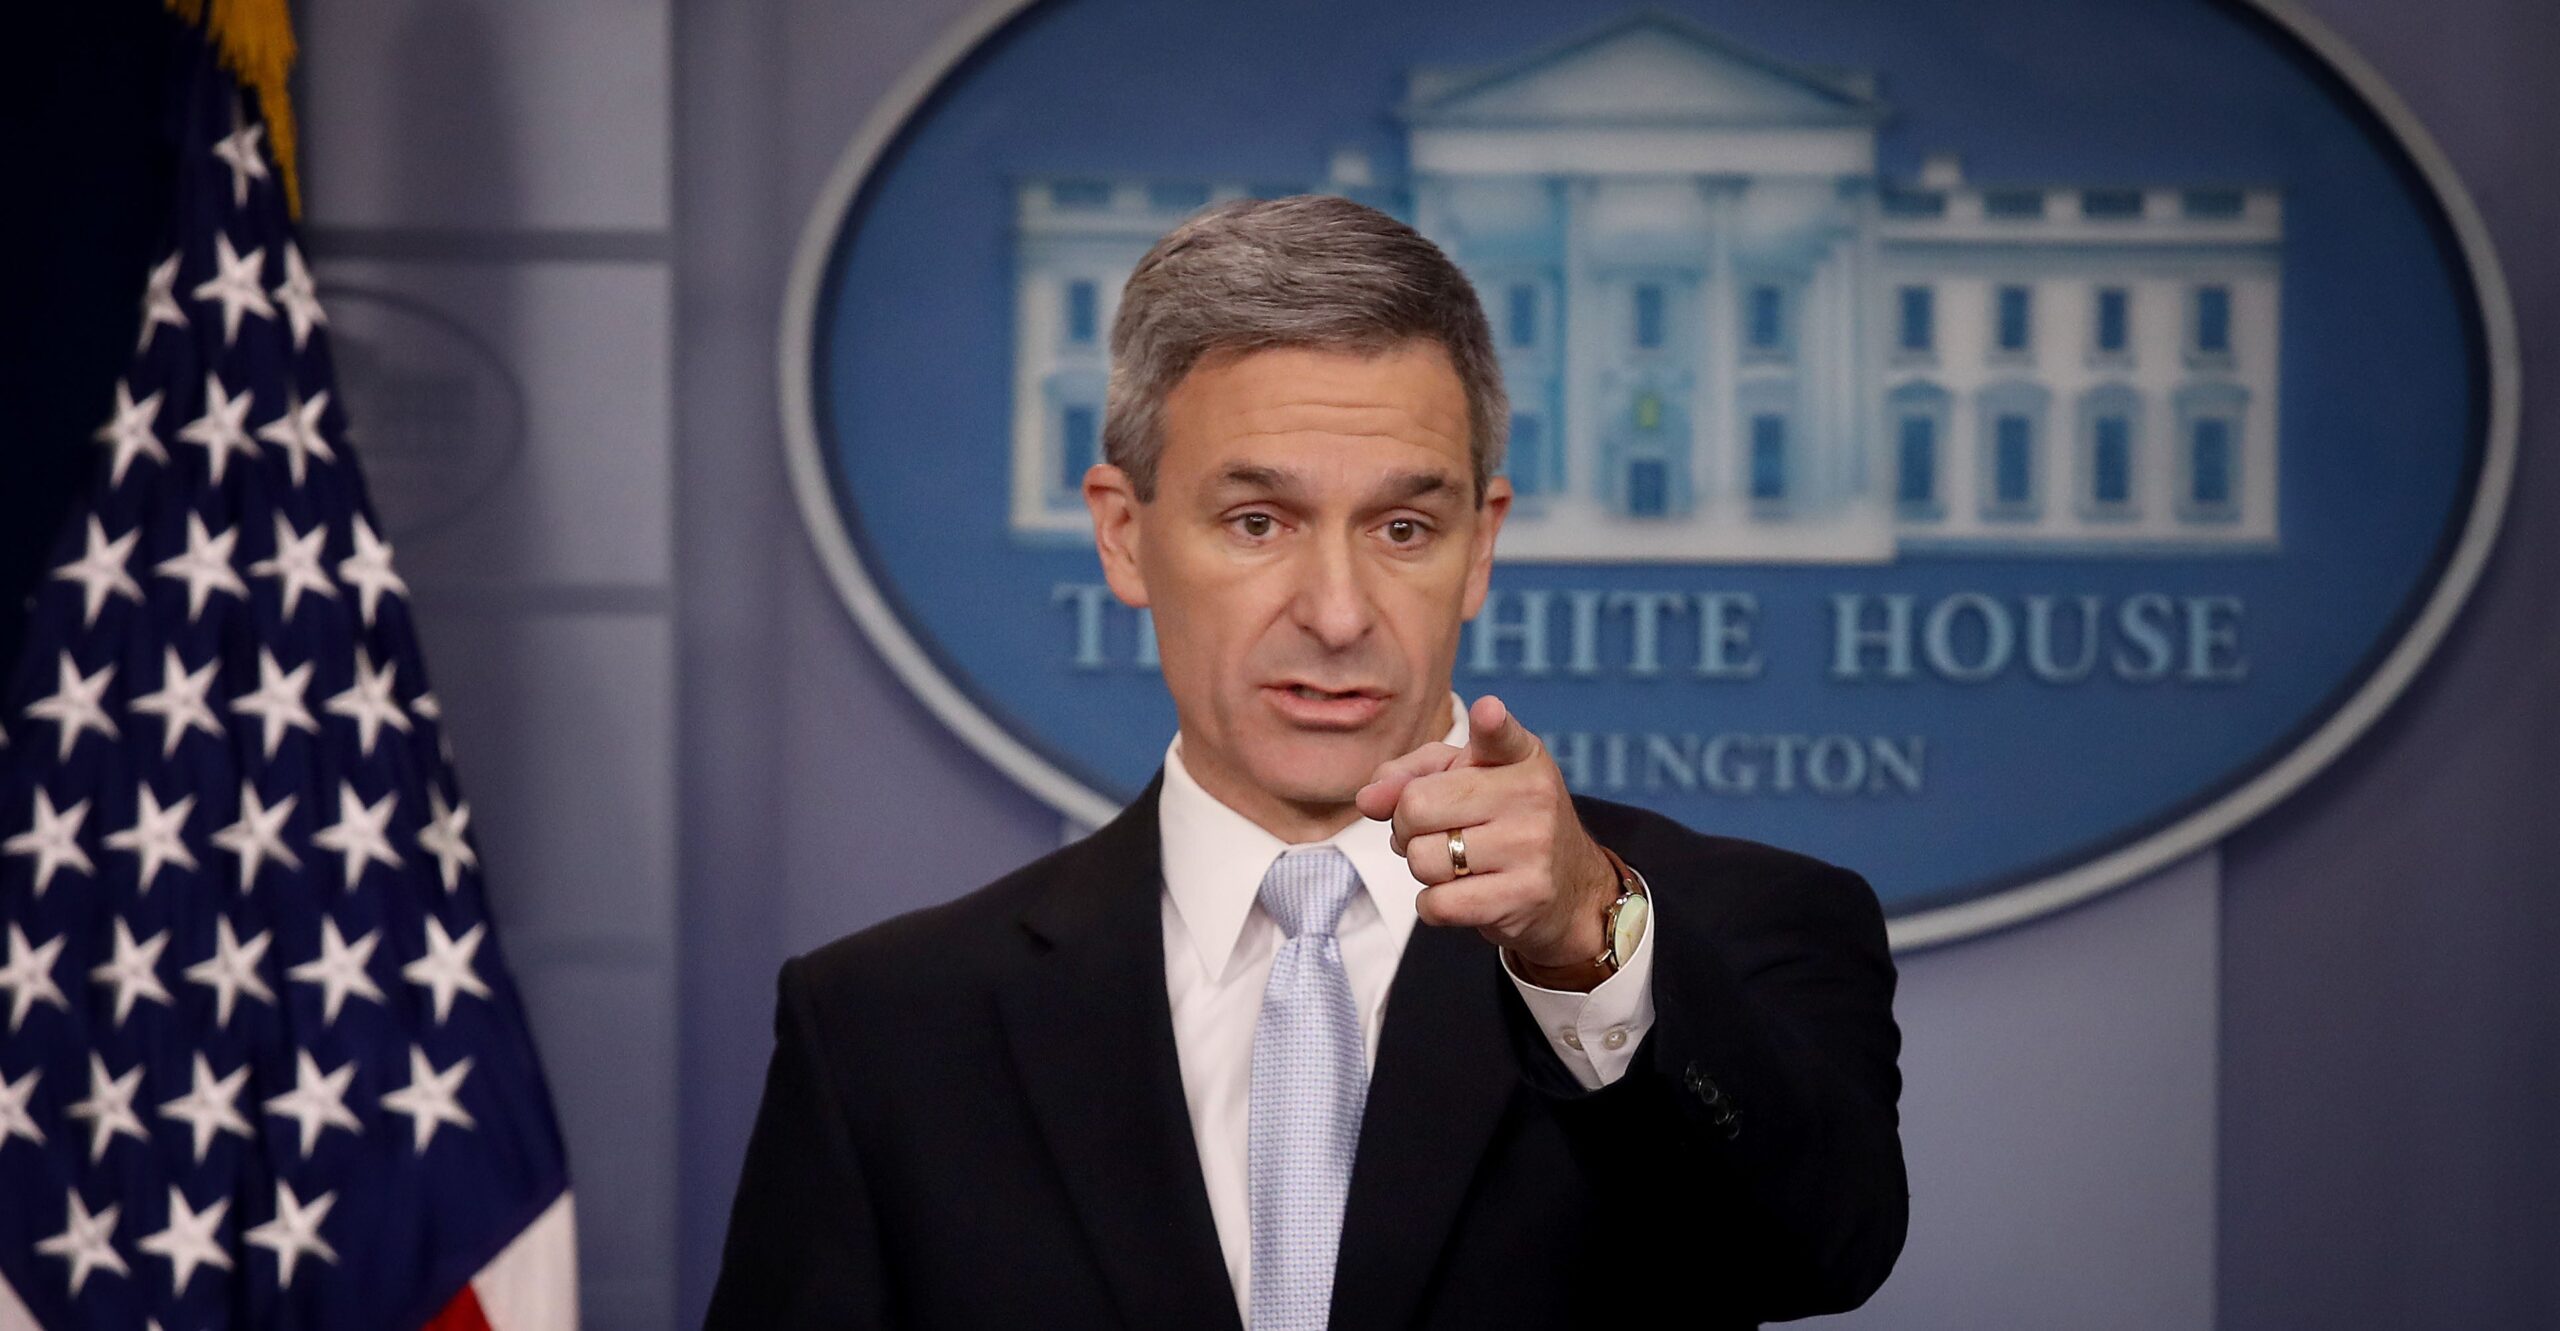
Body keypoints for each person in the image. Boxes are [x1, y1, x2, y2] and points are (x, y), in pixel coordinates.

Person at [705, 194, 1906, 1329]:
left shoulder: (1726, 927)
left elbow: (1820, 1254)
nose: (1336, 612)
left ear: (1480, 547)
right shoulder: (886, 1023)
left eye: (1403, 527)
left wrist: (1584, 944)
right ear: (1122, 533)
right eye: (1257, 522)